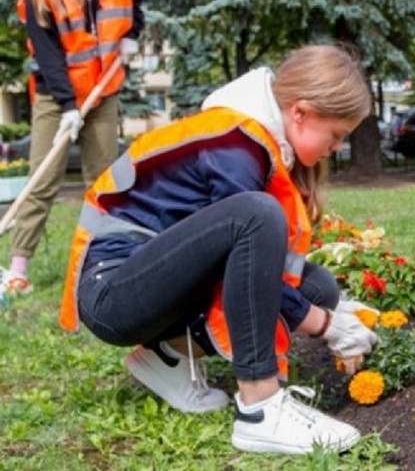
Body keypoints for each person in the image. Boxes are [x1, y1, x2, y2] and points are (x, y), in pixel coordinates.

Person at [60, 45, 380, 455]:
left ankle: (168, 356)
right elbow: (249, 230)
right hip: (112, 292)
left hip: (146, 280)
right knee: (256, 215)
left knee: (315, 287)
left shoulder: (253, 141)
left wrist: (327, 313)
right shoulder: (236, 145)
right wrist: (326, 326)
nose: (336, 148)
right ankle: (260, 408)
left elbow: (252, 270)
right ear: (300, 112)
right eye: (336, 136)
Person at [6, 0, 144, 295]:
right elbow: (48, 56)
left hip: (102, 89)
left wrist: (133, 32)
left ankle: (109, 258)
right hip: (56, 96)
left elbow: (135, 3)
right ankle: (18, 269)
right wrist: (67, 107)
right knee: (41, 177)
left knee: (102, 178)